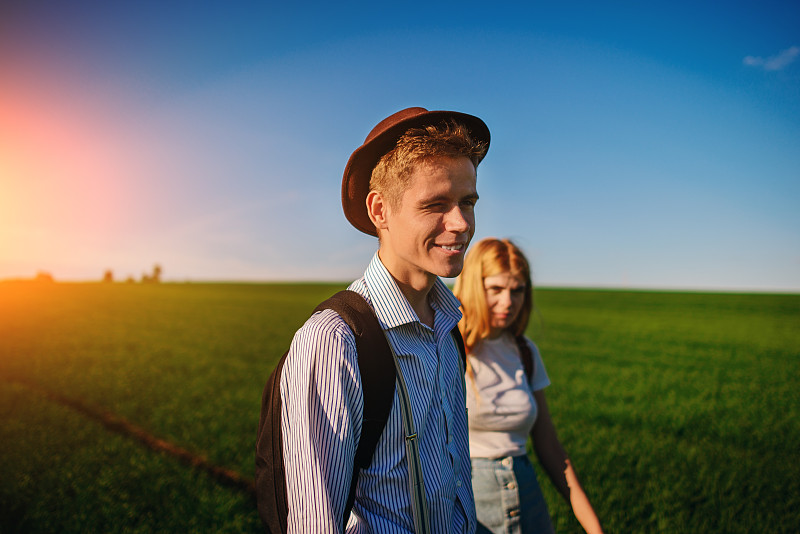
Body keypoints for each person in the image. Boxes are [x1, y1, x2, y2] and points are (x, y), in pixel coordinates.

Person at [279, 107, 490, 533]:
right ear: (380, 210)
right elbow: (315, 523)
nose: (462, 223)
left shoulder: (448, 328)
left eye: (467, 202)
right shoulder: (334, 341)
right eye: (436, 205)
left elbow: (454, 478)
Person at [453, 238, 604, 534]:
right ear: (473, 285)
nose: (508, 302)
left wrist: (593, 526)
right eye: (495, 289)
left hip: (529, 500)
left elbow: (549, 446)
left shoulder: (525, 352)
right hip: (469, 504)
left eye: (517, 290)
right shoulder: (446, 347)